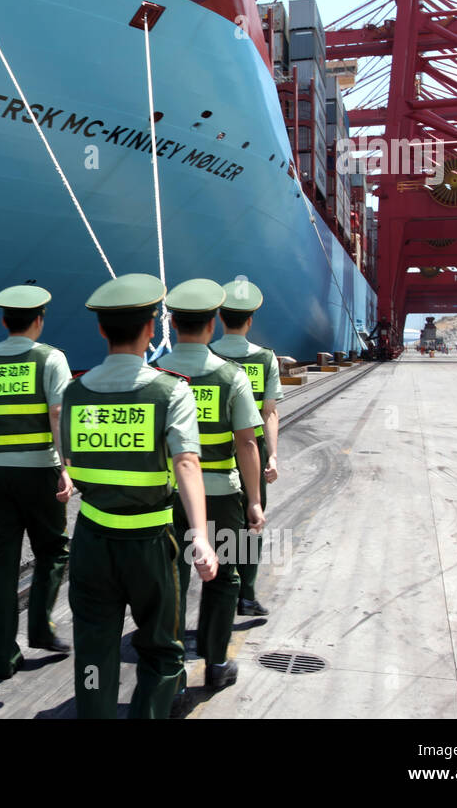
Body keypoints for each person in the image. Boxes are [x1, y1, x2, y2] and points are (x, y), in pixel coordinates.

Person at [61, 273, 218, 718]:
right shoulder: (171, 390)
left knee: (93, 649)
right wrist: (202, 539)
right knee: (162, 650)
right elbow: (187, 463)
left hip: (91, 540)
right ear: (152, 328)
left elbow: (73, 459)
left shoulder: (74, 392)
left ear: (100, 329)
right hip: (150, 544)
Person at [162, 278, 264, 694]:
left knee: (173, 579)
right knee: (226, 579)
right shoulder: (231, 375)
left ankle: (171, 675)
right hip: (222, 496)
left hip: (166, 496)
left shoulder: (157, 374)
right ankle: (217, 662)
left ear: (170, 322)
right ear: (211, 326)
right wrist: (254, 501)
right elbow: (246, 443)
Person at [0, 284, 73, 679]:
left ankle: (2, 653)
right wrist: (66, 466)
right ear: (39, 320)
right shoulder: (50, 358)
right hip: (39, 470)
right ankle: (42, 630)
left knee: (1, 561)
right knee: (54, 550)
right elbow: (58, 412)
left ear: (4, 320)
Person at [210, 278, 281, 618]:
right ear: (250, 320)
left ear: (221, 318)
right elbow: (269, 413)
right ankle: (246, 596)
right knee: (252, 521)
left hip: (211, 451)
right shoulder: (266, 359)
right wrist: (273, 456)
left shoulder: (207, 358)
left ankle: (220, 589)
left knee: (212, 525)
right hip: (253, 450)